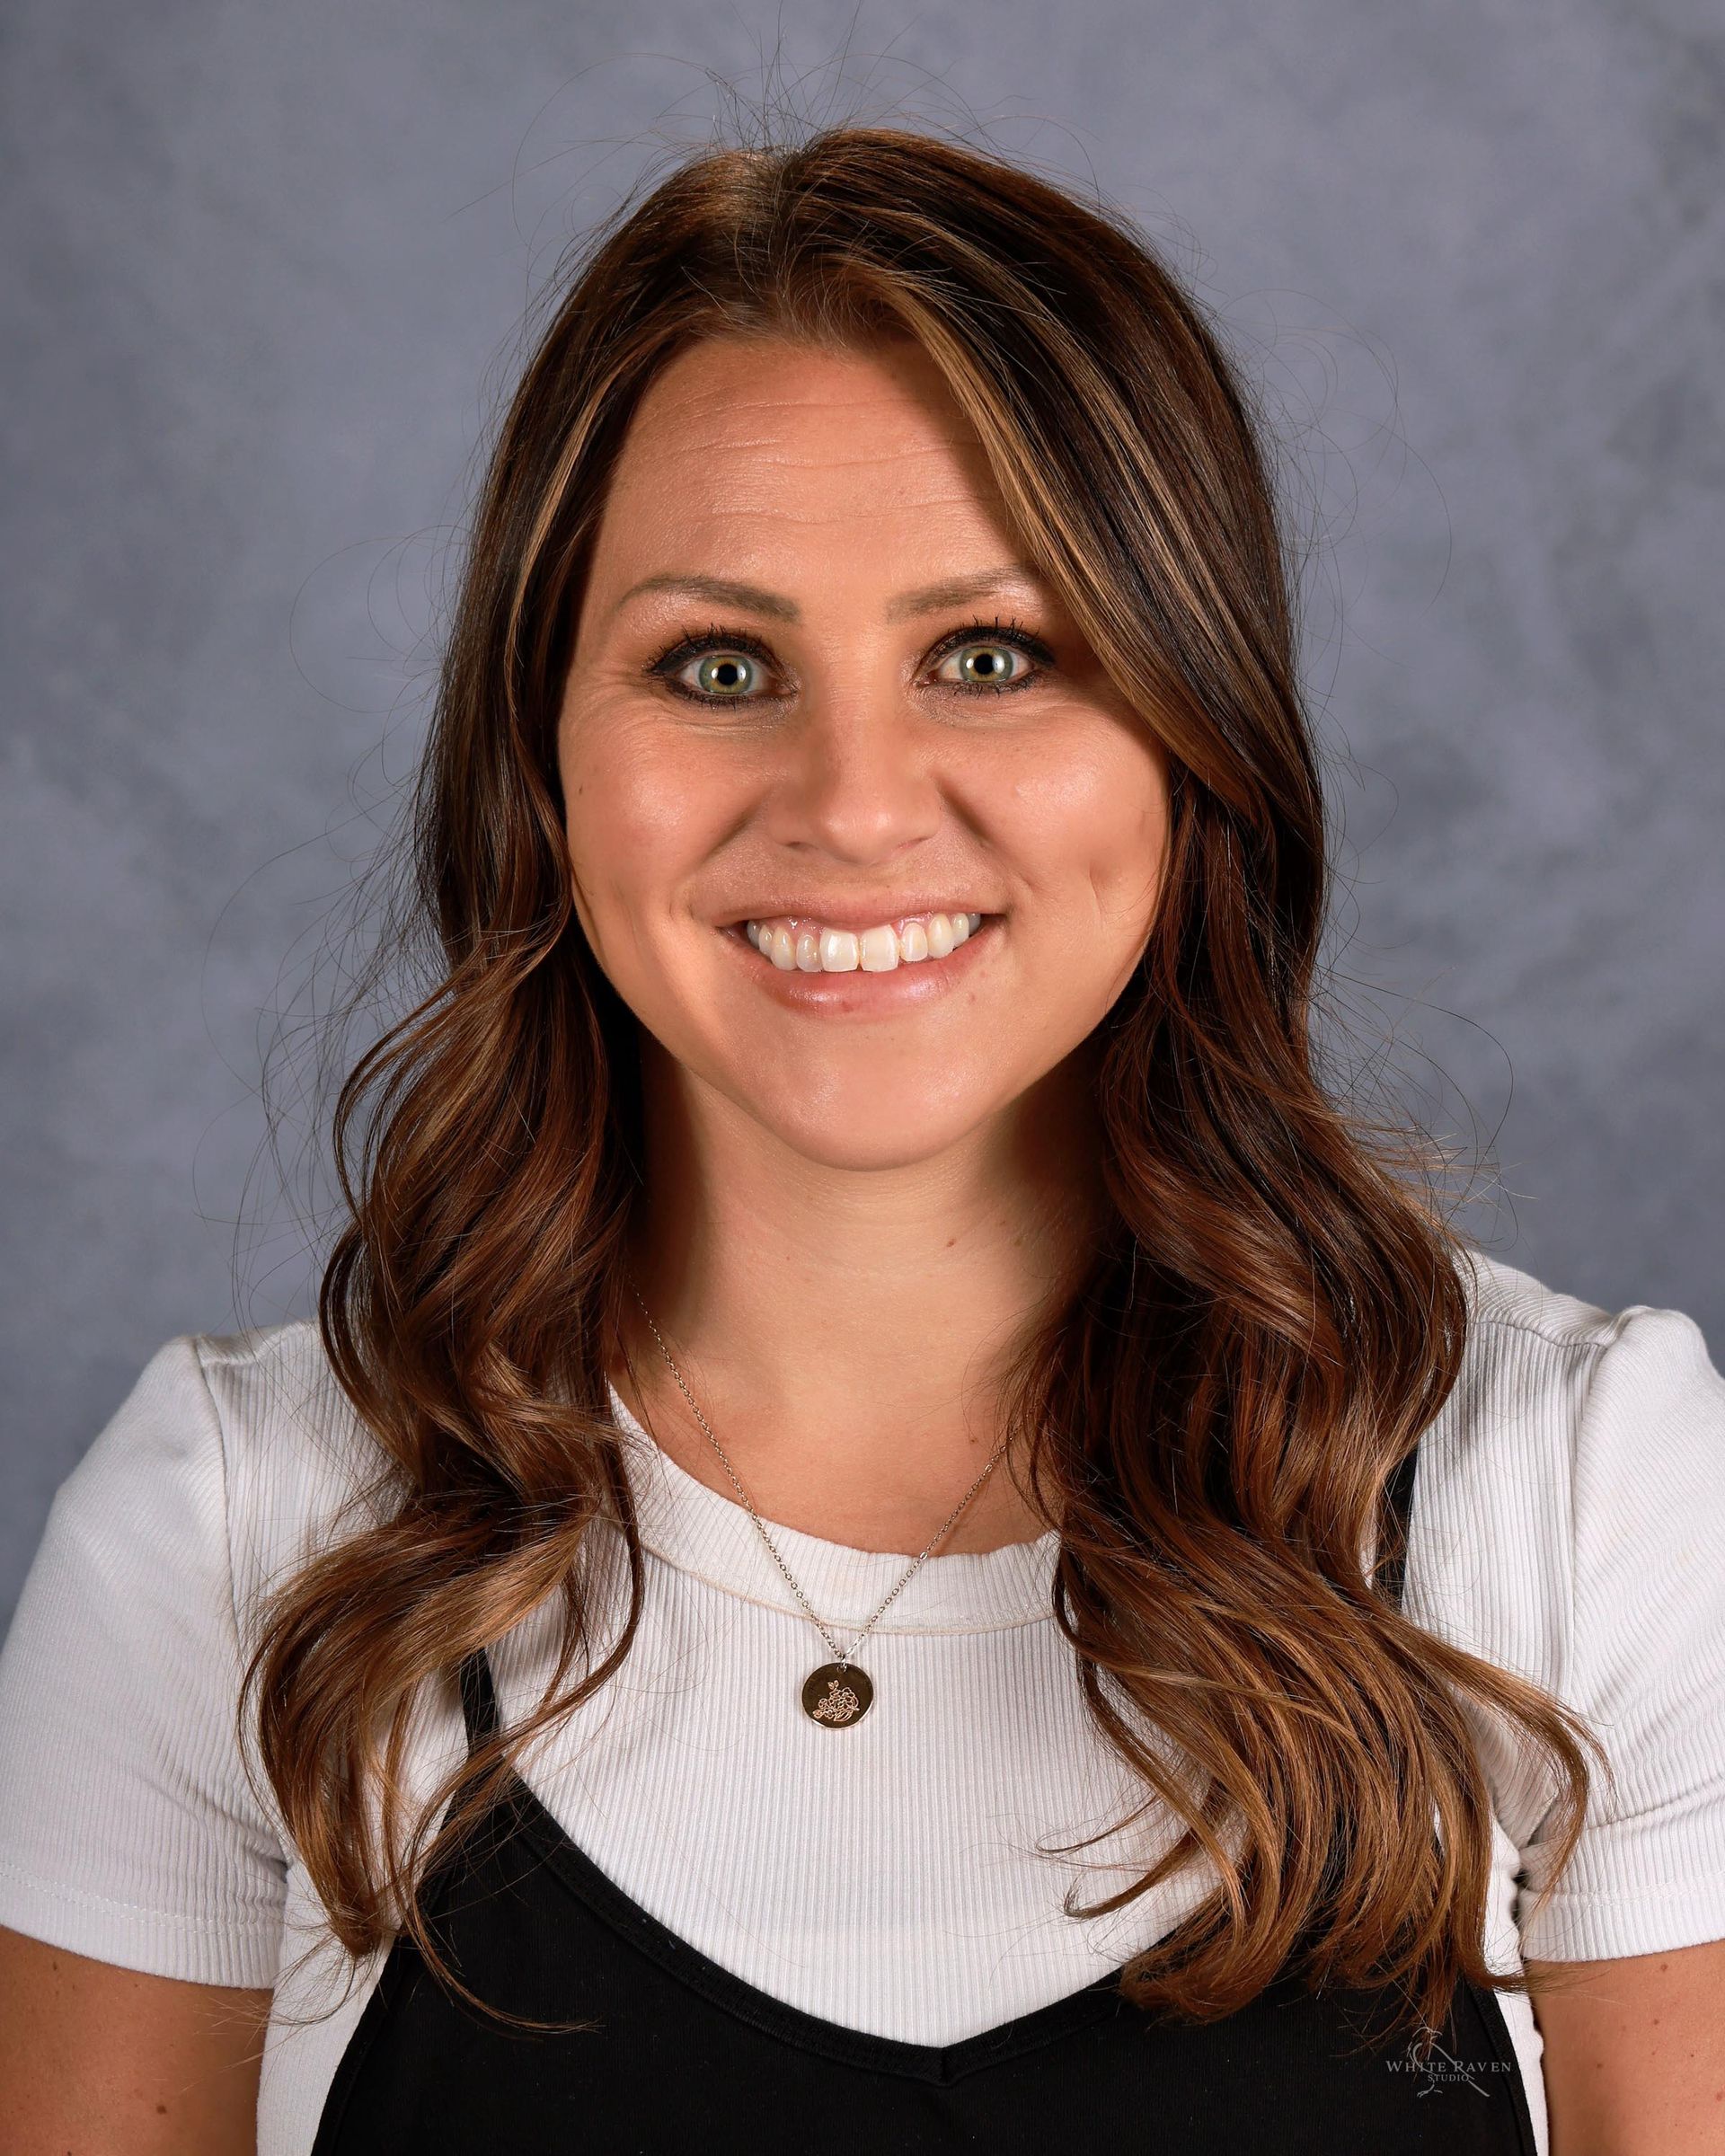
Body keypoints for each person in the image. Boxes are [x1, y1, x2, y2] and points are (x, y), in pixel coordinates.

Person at [2, 123, 1722, 2156]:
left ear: (1195, 737)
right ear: (539, 756)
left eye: (990, 657)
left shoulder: (1579, 1501)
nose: (855, 802)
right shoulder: (235, 1542)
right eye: (718, 666)